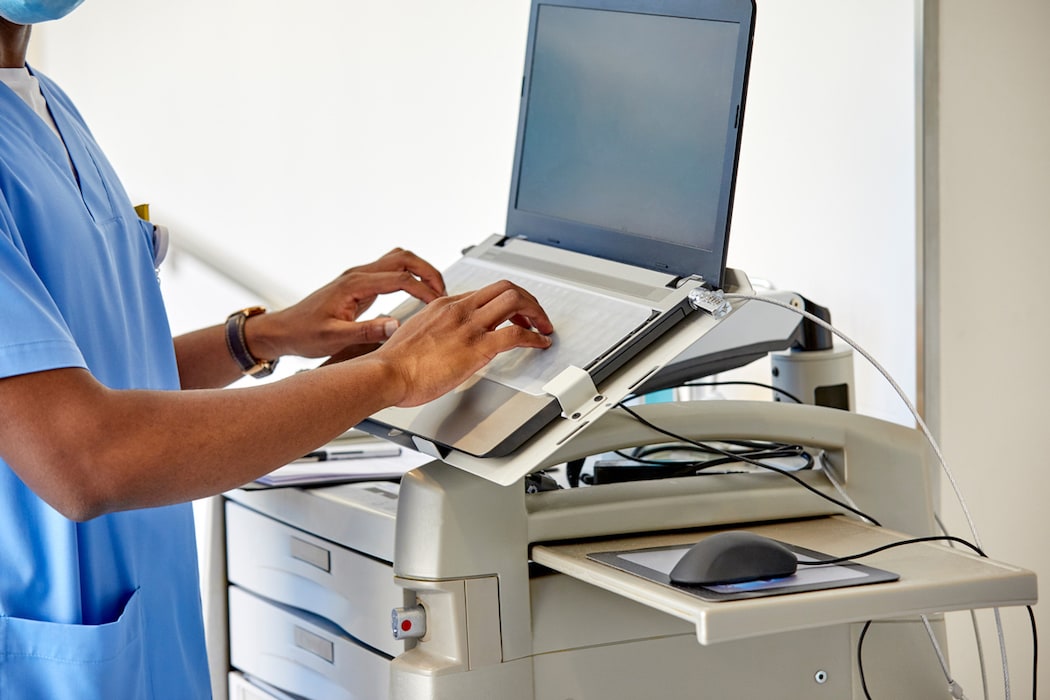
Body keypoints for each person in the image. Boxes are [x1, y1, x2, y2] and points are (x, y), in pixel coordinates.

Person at [0, 3, 554, 698]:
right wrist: (393, 373)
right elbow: (83, 455)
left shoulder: (43, 102)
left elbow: (82, 374)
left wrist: (257, 339)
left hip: (135, 639)